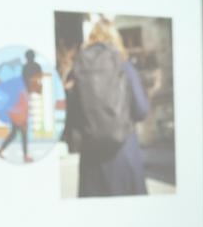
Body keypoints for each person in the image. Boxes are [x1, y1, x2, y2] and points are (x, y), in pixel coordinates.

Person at [64, 17, 151, 198]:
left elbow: (71, 117)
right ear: (116, 39)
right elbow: (142, 110)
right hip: (124, 156)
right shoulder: (124, 67)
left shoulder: (78, 69)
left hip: (92, 162)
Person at [0, 49, 43, 164]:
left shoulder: (26, 69)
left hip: (22, 99)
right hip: (22, 101)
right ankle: (23, 155)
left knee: (16, 131)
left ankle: (3, 150)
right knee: (20, 130)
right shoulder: (35, 68)